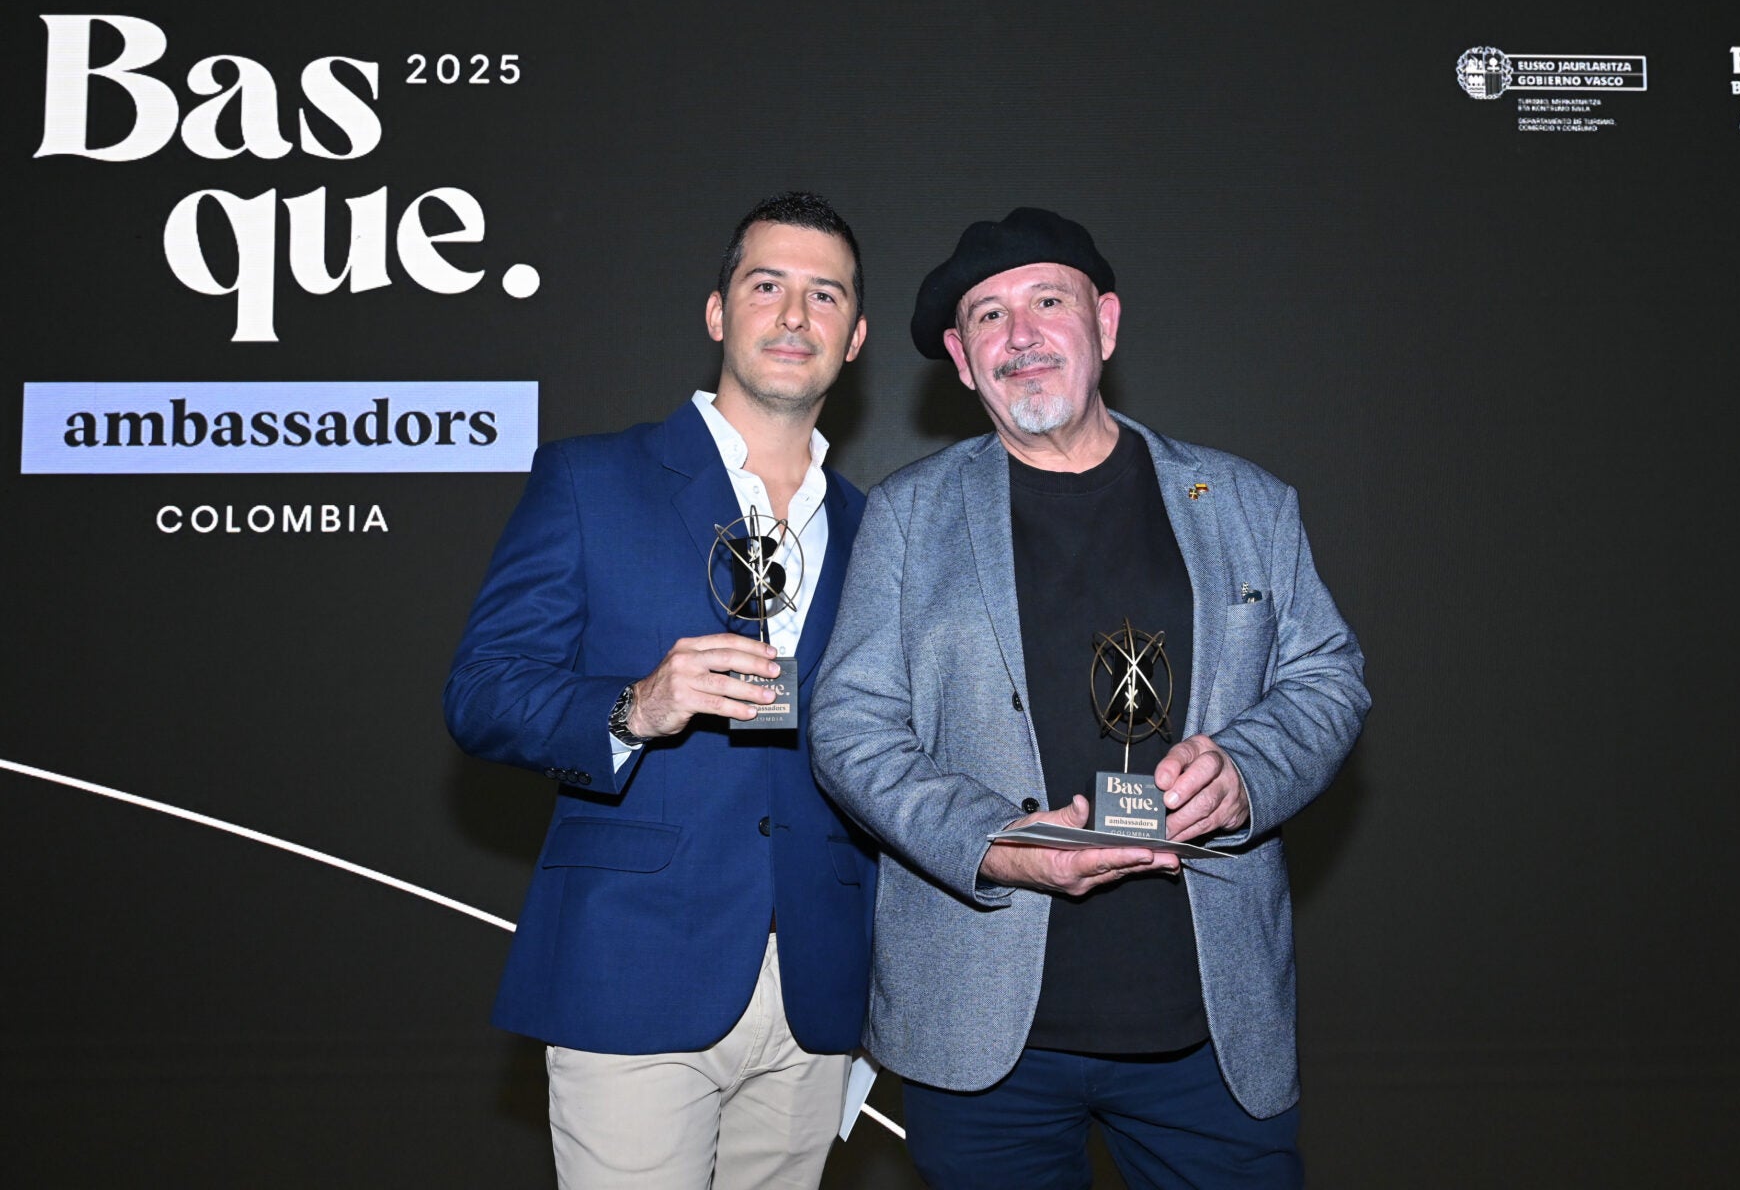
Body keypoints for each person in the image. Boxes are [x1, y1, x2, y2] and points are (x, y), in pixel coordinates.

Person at [810, 207, 1369, 1187]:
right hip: (985, 1039)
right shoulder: (906, 514)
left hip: (1207, 1033)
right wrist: (991, 841)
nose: (1020, 334)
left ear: (1105, 323)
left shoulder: (1245, 501)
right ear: (960, 355)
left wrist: (1244, 772)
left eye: (1048, 302)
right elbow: (849, 724)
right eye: (988, 315)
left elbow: (1326, 672)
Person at [445, 192, 875, 1189]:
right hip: (633, 964)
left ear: (854, 339)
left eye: (825, 295)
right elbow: (482, 689)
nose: (795, 315)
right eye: (767, 285)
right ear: (718, 312)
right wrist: (634, 704)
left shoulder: (875, 526)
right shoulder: (593, 480)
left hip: (817, 986)